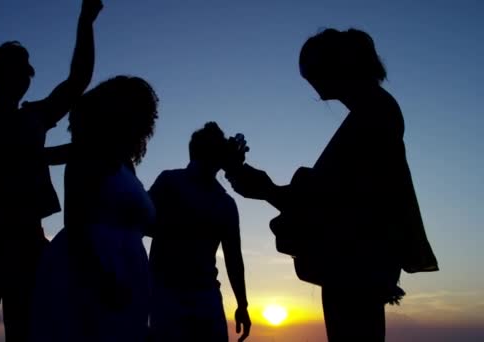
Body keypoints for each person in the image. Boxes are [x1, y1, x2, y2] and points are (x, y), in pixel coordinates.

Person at [226, 28, 438, 342]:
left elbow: (336, 203)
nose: (310, 83)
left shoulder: (374, 116)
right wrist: (267, 188)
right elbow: (331, 198)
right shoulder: (374, 112)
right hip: (356, 268)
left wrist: (266, 189)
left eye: (310, 72)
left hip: (354, 271)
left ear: (336, 67)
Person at [0, 1, 102, 341]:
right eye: (19, 70)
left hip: (26, 246)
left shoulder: (32, 117)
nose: (26, 77)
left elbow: (77, 81)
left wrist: (85, 22)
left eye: (26, 71)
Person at [30, 75, 159, 342]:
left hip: (127, 271)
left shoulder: (125, 165)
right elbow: (75, 225)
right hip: (93, 271)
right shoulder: (84, 156)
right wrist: (102, 281)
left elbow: (145, 223)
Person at [147, 122, 251, 342]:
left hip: (190, 297)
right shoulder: (223, 202)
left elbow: (234, 259)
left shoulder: (170, 181)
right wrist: (242, 304)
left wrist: (243, 304)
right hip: (178, 297)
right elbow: (234, 259)